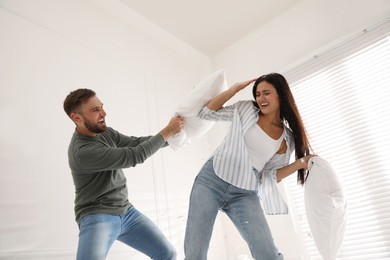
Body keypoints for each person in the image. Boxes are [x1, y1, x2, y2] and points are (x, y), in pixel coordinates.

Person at [184, 73, 316, 260]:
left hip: (244, 192)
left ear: (280, 94)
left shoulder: (286, 138)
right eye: (258, 94)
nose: (261, 98)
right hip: (211, 180)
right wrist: (233, 90)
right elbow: (206, 113)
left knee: (268, 254)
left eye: (266, 93)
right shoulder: (246, 109)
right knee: (195, 254)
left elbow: (270, 175)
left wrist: (299, 164)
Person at [63, 88, 183, 260]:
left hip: (127, 212)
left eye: (101, 106)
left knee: (167, 253)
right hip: (97, 214)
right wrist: (167, 131)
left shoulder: (105, 132)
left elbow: (137, 143)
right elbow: (135, 155)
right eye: (95, 110)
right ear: (77, 118)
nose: (104, 112)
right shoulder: (83, 151)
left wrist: (174, 136)